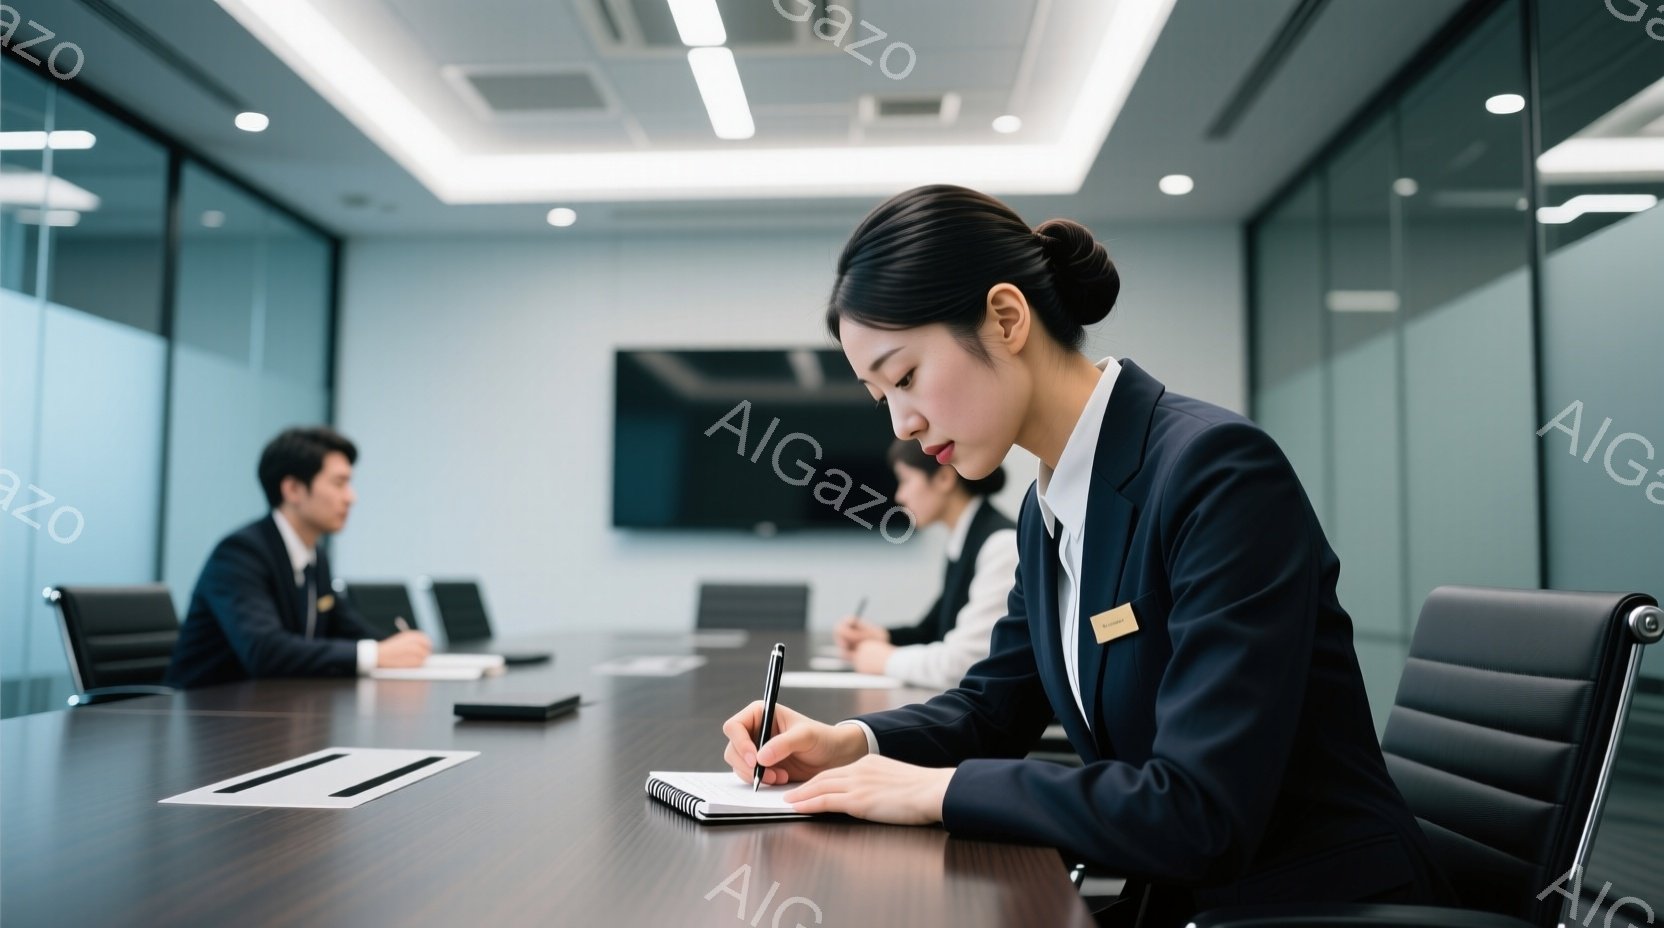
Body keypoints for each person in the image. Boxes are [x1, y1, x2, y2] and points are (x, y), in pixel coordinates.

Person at [721, 185, 1456, 927]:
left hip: (1313, 905)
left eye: (905, 377)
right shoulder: (1049, 507)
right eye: (882, 397)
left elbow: (1199, 810)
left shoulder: (1216, 473)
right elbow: (993, 707)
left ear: (1006, 319)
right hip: (1187, 902)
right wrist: (849, 743)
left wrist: (935, 791)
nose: (903, 424)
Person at [165, 426, 432, 687]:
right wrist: (375, 654)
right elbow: (265, 650)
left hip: (270, 703)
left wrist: (399, 648)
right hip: (203, 707)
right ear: (293, 489)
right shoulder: (241, 553)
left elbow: (346, 627)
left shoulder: (315, 556)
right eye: (339, 483)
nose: (351, 497)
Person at [832, 439, 1017, 689]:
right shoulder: (965, 540)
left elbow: (963, 663)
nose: (899, 495)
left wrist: (885, 659)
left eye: (906, 480)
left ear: (944, 478)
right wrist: (882, 636)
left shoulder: (1000, 546)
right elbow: (934, 630)